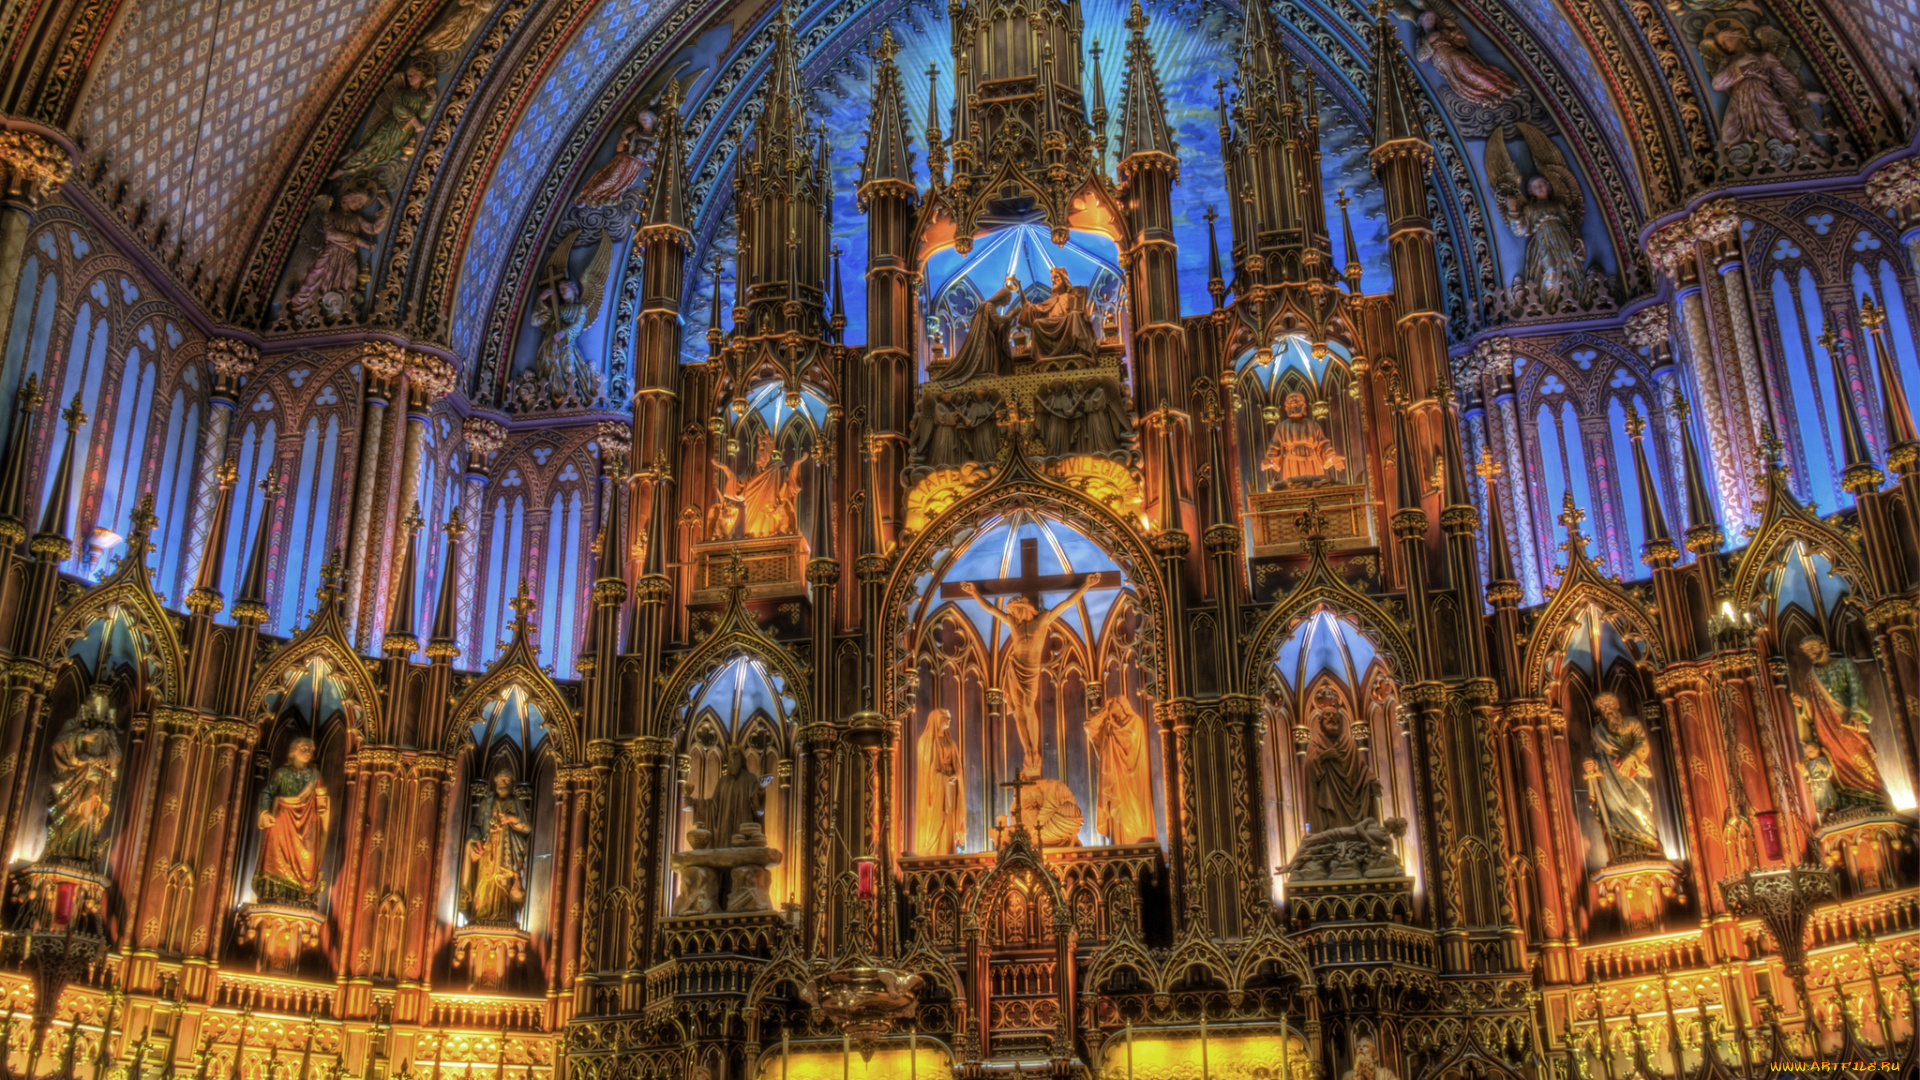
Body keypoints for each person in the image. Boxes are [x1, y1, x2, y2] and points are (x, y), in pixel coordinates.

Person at [961, 573, 1102, 779]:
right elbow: (991, 609)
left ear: (1023, 608)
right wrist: (974, 593)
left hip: (1030, 670)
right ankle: (1027, 750)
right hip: (1015, 667)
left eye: (1015, 610)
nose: (1013, 614)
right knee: (1019, 711)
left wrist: (1086, 586)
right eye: (1012, 612)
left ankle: (1034, 750)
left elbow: (1066, 603)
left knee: (1028, 706)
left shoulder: (1043, 620)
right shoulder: (1013, 623)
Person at [1792, 636, 1888, 816]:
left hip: (1846, 720)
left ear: (1824, 646)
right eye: (1806, 651)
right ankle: (1847, 803)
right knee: (1835, 762)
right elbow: (1812, 701)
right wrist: (1802, 704)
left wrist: (1857, 712)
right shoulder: (1810, 676)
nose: (1810, 653)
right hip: (1824, 725)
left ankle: (1876, 798)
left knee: (1859, 756)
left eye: (1813, 647)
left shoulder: (1845, 665)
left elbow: (1856, 688)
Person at [255, 737, 331, 904]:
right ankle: (274, 893)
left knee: (308, 859)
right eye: (304, 748)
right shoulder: (282, 773)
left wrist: (322, 802)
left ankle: (302, 895)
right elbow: (267, 793)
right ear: (293, 752)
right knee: (277, 859)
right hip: (283, 821)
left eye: (310, 749)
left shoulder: (315, 776)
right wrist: (265, 813)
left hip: (307, 825)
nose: (308, 752)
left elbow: (322, 803)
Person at [463, 771, 534, 923]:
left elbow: (527, 828)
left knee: (505, 885)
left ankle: (504, 918)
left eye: (507, 780)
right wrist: (473, 842)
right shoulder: (487, 802)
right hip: (488, 851)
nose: (503, 783)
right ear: (495, 782)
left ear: (512, 784)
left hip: (508, 853)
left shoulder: (516, 802)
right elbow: (475, 827)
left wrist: (511, 819)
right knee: (485, 882)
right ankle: (481, 916)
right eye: (500, 780)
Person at [1085, 697, 1155, 844]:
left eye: (1112, 703)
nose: (1109, 705)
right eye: (1108, 704)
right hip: (1116, 780)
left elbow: (1130, 744)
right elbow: (1089, 726)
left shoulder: (1135, 722)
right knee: (1117, 811)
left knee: (1130, 816)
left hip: (1133, 783)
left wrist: (1112, 727)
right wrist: (1104, 713)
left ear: (1122, 705)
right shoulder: (1109, 727)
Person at [914, 709, 965, 854]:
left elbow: (958, 767)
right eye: (945, 718)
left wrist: (956, 775)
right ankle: (933, 852)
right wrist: (943, 779)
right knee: (937, 821)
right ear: (937, 720)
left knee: (948, 824)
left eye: (949, 717)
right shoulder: (926, 741)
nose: (949, 720)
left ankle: (948, 852)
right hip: (935, 791)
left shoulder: (950, 742)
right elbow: (927, 771)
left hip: (951, 788)